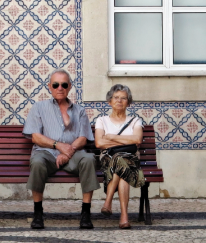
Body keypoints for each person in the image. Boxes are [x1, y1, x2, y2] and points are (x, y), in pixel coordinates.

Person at [22, 69, 97, 230]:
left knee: (89, 159)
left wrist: (69, 151)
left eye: (64, 84)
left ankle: (85, 213)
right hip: (47, 153)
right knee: (37, 161)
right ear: (50, 87)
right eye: (56, 85)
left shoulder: (79, 110)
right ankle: (38, 213)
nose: (60, 88)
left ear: (69, 87)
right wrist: (58, 146)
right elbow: (35, 137)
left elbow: (83, 137)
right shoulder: (39, 107)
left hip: (74, 154)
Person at [95, 84, 145, 230]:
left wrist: (111, 137)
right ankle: (124, 217)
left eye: (123, 98)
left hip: (130, 159)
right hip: (108, 159)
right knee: (121, 163)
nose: (119, 101)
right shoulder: (102, 120)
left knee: (121, 162)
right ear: (109, 101)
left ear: (128, 102)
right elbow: (99, 143)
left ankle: (108, 202)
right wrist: (125, 139)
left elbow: (137, 140)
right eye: (116, 98)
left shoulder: (136, 120)